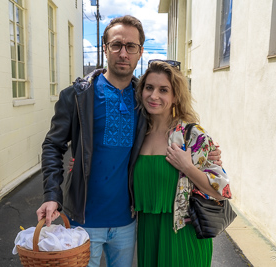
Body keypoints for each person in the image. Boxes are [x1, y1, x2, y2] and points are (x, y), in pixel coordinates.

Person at [37, 15, 222, 267]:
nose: (123, 53)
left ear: (140, 52)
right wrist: (51, 194)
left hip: (128, 222)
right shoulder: (76, 96)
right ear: (105, 48)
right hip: (84, 220)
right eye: (116, 45)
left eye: (131, 46)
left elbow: (174, 131)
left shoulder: (143, 101)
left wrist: (207, 155)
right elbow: (52, 146)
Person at [133, 60, 232, 267]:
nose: (154, 96)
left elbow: (220, 191)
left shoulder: (192, 135)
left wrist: (187, 167)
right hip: (148, 232)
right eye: (149, 88)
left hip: (183, 234)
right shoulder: (137, 134)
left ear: (175, 96)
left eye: (163, 90)